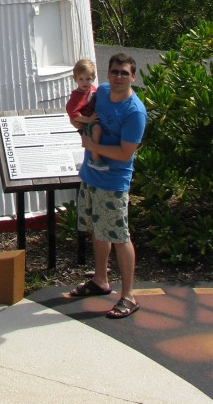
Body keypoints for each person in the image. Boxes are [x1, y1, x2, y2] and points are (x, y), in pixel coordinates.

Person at [69, 52, 147, 319]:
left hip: (113, 181)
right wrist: (79, 124)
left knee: (120, 236)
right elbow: (79, 111)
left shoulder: (134, 112)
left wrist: (93, 146)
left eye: (124, 73)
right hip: (91, 175)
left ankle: (128, 296)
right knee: (98, 230)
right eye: (114, 72)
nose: (118, 77)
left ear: (133, 77)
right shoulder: (100, 92)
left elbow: (126, 153)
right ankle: (100, 280)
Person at [65, 58, 107, 170]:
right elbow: (73, 112)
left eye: (88, 79)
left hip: (94, 118)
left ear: (93, 78)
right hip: (85, 123)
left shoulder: (93, 89)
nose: (85, 82)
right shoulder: (76, 96)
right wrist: (88, 120)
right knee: (97, 129)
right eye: (81, 79)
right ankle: (95, 159)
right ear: (75, 79)